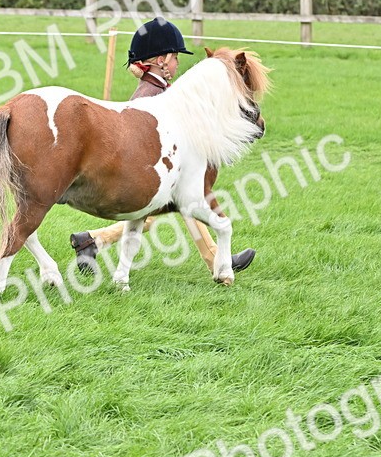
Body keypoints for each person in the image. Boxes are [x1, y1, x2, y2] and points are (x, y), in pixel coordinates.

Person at [69, 17, 256, 274]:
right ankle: (215, 258)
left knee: (169, 209)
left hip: (157, 173)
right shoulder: (151, 95)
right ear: (161, 60)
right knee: (187, 203)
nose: (179, 63)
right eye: (176, 57)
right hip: (149, 173)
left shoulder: (161, 89)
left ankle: (93, 240)